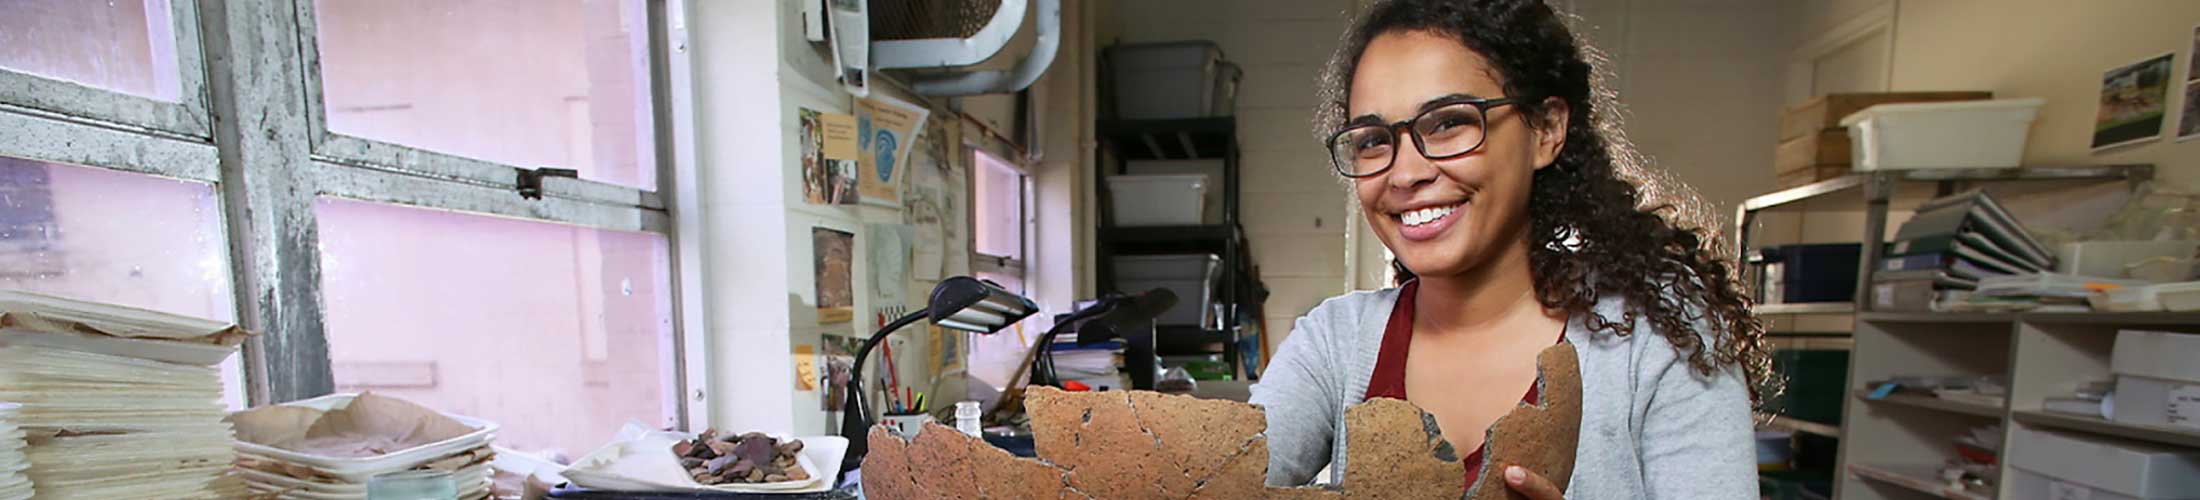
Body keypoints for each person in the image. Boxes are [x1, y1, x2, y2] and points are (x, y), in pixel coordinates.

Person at [1247, 0, 1774, 498]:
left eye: (1451, 122)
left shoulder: (1657, 340)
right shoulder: (1335, 343)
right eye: (1372, 140)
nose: (1405, 173)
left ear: (1546, 129)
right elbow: (1222, 476)